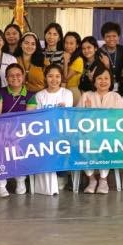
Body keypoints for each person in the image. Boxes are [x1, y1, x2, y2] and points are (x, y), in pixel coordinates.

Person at [0, 63, 38, 197]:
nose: (15, 78)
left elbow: (27, 119)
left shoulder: (31, 96)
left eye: (18, 75)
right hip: (2, 132)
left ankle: (21, 180)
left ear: (23, 77)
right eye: (11, 75)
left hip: (21, 133)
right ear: (6, 78)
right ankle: (0, 183)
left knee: (22, 145)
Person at [78, 67, 123, 194]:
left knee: (106, 143)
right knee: (83, 144)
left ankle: (103, 180)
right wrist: (87, 111)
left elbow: (120, 121)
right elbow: (77, 120)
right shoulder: (86, 96)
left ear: (111, 81)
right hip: (89, 136)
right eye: (99, 78)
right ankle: (92, 179)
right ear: (94, 81)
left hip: (109, 137)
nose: (103, 81)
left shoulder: (116, 97)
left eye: (106, 78)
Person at [33, 65, 74, 195]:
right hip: (44, 133)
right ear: (45, 78)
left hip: (62, 133)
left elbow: (67, 115)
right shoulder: (39, 95)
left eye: (57, 76)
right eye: (50, 76)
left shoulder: (67, 93)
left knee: (61, 144)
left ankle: (61, 175)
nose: (54, 79)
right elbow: (38, 117)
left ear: (61, 78)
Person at [99, 22, 123, 94]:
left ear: (118, 37)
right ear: (103, 38)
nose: (111, 39)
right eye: (108, 36)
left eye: (114, 36)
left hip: (122, 89)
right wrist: (107, 66)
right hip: (105, 89)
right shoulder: (99, 53)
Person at [62, 31, 84, 97]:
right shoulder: (63, 55)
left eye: (71, 43)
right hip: (62, 90)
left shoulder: (78, 60)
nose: (68, 46)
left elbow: (65, 78)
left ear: (77, 45)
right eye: (66, 43)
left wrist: (65, 62)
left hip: (72, 91)